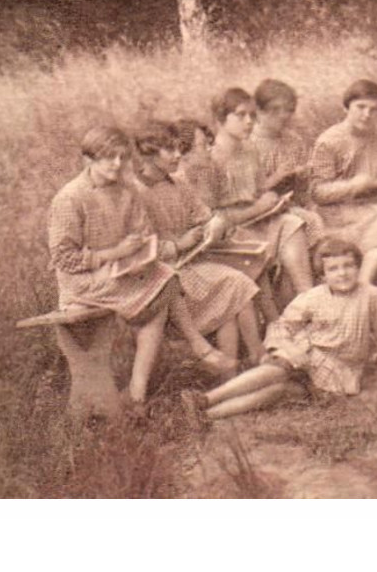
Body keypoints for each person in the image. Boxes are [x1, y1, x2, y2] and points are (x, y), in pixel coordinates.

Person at [48, 127, 237, 404]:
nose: (116, 165)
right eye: (107, 158)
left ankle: (137, 393)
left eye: (122, 158)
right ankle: (198, 348)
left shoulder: (126, 192)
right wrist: (115, 253)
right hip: (82, 280)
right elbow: (64, 259)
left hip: (121, 271)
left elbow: (144, 234)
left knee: (161, 280)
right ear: (88, 160)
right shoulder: (70, 198)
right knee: (163, 284)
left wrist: (141, 254)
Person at [183, 238, 377, 422]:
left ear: (358, 268)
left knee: (279, 392)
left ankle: (208, 415)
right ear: (322, 276)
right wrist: (288, 348)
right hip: (308, 356)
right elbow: (282, 326)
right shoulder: (314, 297)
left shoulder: (372, 296)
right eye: (333, 269)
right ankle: (205, 399)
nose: (342, 273)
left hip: (338, 371)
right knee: (278, 369)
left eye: (348, 266)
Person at [132, 122, 263, 365]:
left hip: (190, 265)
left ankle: (229, 373)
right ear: (149, 155)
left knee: (231, 294)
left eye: (178, 148)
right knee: (236, 284)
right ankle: (257, 357)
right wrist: (179, 244)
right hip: (162, 276)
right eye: (169, 150)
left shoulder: (179, 184)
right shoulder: (136, 193)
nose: (178, 155)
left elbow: (203, 215)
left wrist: (215, 224)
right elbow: (138, 249)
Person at [206, 87, 316, 300]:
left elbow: (257, 191)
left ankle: (307, 299)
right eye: (240, 115)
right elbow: (211, 218)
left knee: (291, 223)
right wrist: (261, 207)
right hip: (229, 233)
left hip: (257, 221)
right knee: (287, 228)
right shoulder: (209, 159)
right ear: (221, 118)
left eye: (252, 115)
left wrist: (274, 202)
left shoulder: (249, 150)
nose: (249, 121)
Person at [309, 79, 377, 286]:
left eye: (374, 110)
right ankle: (364, 286)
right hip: (337, 212)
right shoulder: (329, 140)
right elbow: (317, 192)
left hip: (371, 206)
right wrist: (352, 185)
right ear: (346, 107)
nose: (367, 114)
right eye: (361, 107)